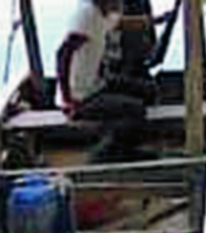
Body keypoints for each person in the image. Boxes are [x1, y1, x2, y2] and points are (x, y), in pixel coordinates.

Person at [55, 0, 158, 159]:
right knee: (135, 110)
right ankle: (108, 151)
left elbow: (122, 23)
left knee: (148, 91)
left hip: (97, 84)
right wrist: (68, 99)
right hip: (82, 97)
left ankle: (124, 141)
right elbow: (62, 53)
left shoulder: (102, 13)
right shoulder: (86, 15)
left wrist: (155, 20)